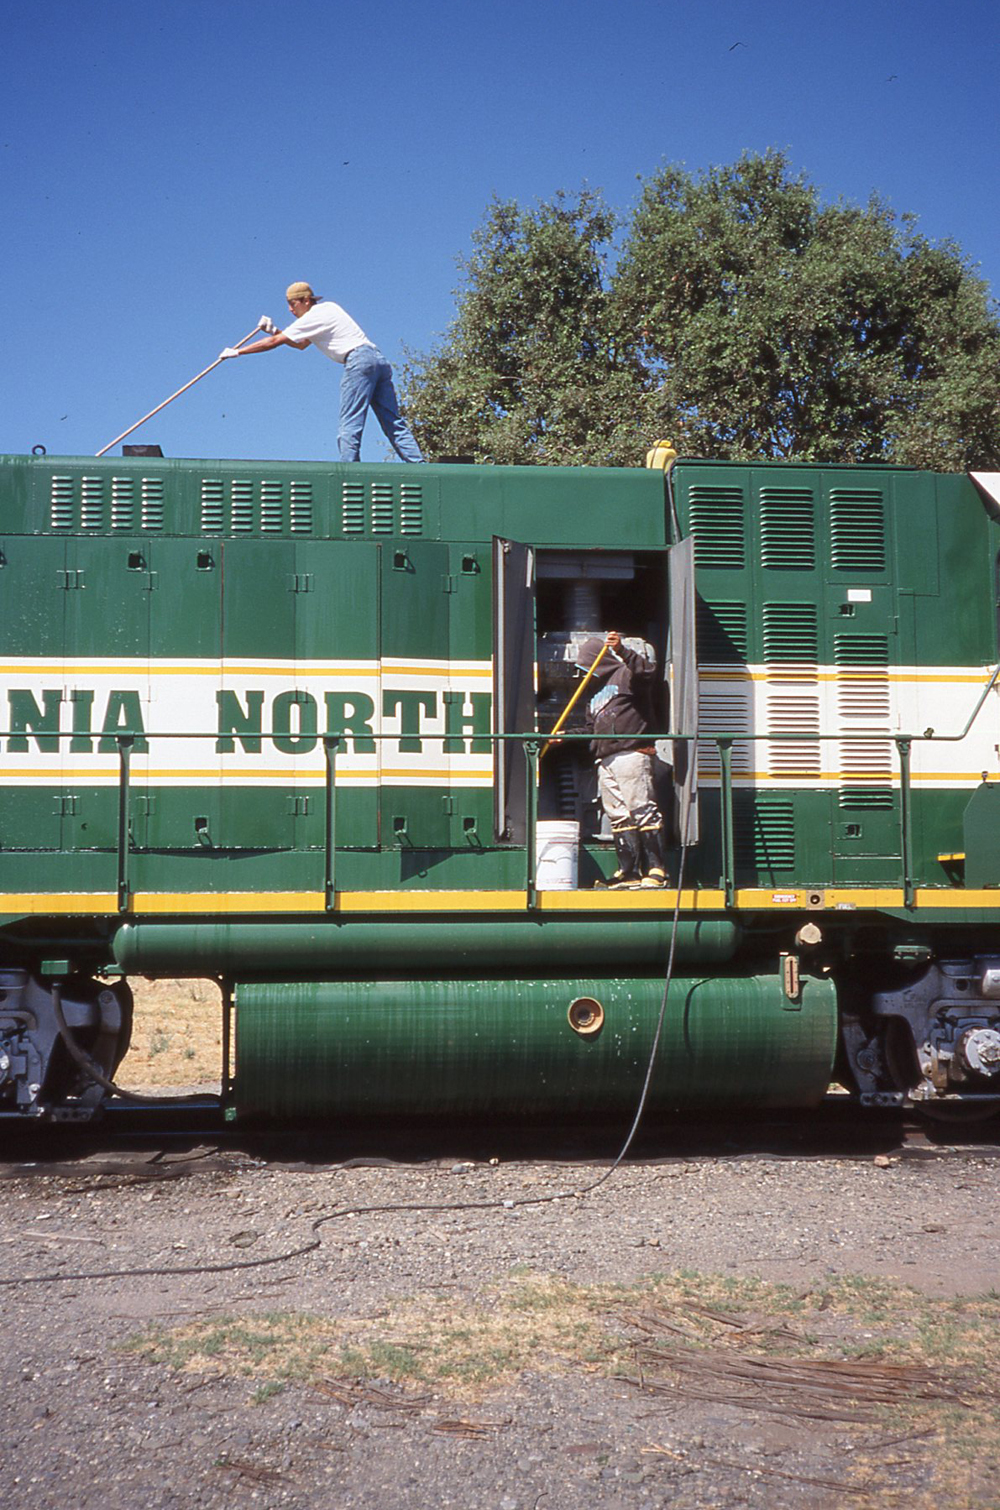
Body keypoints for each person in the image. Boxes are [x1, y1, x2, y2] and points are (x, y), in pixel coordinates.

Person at [220, 282, 424, 464]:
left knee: (350, 420)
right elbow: (301, 344)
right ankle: (418, 465)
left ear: (306, 301)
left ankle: (350, 472)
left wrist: (238, 351)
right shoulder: (329, 308)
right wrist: (274, 330)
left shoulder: (313, 316)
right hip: (377, 360)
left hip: (358, 361)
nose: (290, 309)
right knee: (392, 420)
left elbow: (275, 344)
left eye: (293, 304)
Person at [578, 630, 670, 889]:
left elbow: (647, 673)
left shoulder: (627, 675)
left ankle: (656, 870)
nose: (586, 671)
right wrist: (565, 736)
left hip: (631, 753)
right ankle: (627, 872)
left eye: (587, 664)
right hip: (605, 758)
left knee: (642, 809)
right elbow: (590, 729)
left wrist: (621, 650)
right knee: (618, 815)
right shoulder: (594, 695)